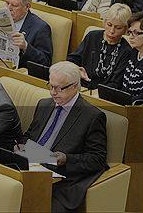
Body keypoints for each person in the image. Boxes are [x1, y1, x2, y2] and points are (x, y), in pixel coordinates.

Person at [24, 61, 107, 212]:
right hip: (28, 168)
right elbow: (29, 136)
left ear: (74, 86)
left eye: (58, 88)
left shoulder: (92, 116)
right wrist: (20, 147)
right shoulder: (43, 104)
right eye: (51, 86)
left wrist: (66, 159)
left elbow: (98, 159)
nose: (53, 92)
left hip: (60, 182)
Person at [67, 3, 135, 89]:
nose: (112, 31)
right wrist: (76, 69)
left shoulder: (126, 51)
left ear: (126, 29)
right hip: (79, 85)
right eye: (109, 25)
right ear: (104, 22)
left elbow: (116, 83)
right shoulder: (92, 36)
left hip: (103, 93)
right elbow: (73, 59)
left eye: (118, 28)